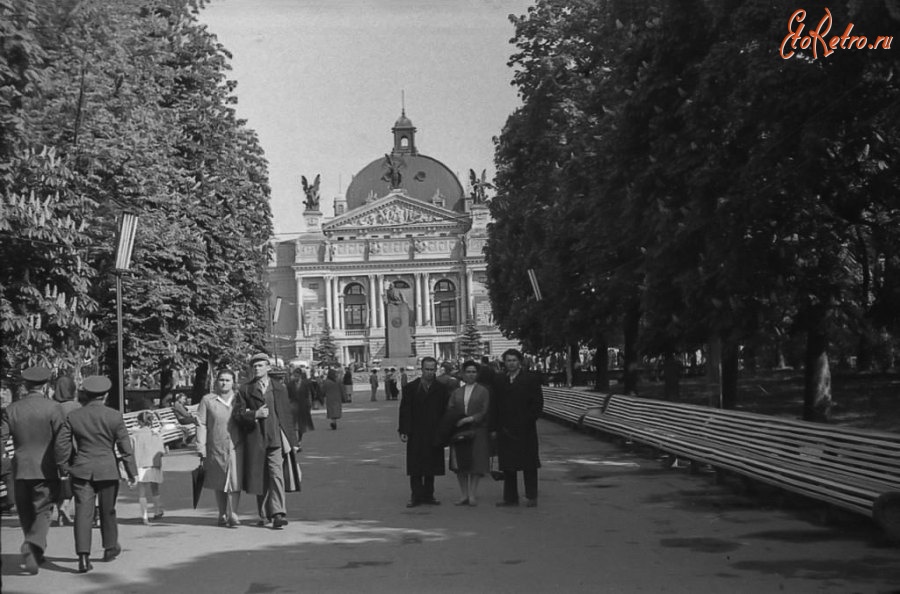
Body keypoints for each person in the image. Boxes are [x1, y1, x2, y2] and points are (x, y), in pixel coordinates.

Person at [56, 375, 137, 573]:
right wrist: (131, 471)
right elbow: (125, 447)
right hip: (107, 470)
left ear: (86, 394)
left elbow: (61, 445)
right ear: (106, 395)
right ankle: (110, 548)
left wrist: (64, 467)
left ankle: (83, 557)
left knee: (83, 513)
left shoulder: (74, 416)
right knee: (108, 510)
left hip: (81, 470)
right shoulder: (114, 416)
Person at [0, 366, 64, 575]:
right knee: (43, 510)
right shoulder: (54, 408)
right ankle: (32, 545)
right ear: (45, 385)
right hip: (46, 469)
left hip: (20, 468)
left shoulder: (12, 410)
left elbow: (2, 438)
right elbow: (61, 441)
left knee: (26, 511)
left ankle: (36, 552)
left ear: (25, 385)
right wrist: (64, 465)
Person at [232, 353, 299, 529]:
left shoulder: (279, 388)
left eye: (261, 365)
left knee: (276, 475)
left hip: (275, 439)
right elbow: (237, 414)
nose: (257, 368)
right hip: (255, 439)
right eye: (254, 366)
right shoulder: (245, 389)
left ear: (268, 367)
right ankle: (264, 514)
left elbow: (286, 415)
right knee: (259, 477)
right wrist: (255, 414)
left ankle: (278, 513)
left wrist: (293, 440)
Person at [491, 349, 544, 508]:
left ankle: (531, 496)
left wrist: (527, 420)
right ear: (504, 363)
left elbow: (537, 404)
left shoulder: (530, 379)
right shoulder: (499, 380)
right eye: (508, 361)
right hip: (505, 428)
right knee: (508, 465)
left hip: (525, 428)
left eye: (514, 360)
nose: (511, 363)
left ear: (519, 361)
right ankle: (510, 498)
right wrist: (494, 427)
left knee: (529, 463)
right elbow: (494, 405)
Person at [398, 357, 451, 507]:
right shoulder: (411, 388)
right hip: (416, 432)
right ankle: (416, 496)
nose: (429, 372)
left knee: (431, 465)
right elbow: (405, 410)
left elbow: (445, 411)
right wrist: (403, 430)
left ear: (436, 369)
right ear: (421, 369)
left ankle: (429, 495)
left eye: (432, 369)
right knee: (415, 466)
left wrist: (444, 432)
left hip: (434, 432)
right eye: (426, 369)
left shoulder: (441, 389)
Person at [197, 368, 244, 528]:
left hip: (236, 444)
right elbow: (202, 424)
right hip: (215, 444)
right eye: (221, 380)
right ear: (216, 381)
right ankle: (222, 513)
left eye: (227, 380)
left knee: (234, 478)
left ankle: (234, 513)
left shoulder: (239, 399)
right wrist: (200, 446)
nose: (224, 383)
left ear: (233, 383)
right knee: (219, 479)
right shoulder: (208, 400)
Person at [446, 361, 491, 506]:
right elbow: (450, 409)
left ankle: (472, 494)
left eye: (473, 372)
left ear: (477, 374)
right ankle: (463, 494)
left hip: (477, 429)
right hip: (459, 430)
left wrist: (470, 419)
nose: (471, 374)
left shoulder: (483, 391)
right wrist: (456, 420)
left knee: (476, 462)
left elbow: (485, 410)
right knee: (460, 463)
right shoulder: (457, 392)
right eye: (468, 372)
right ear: (463, 374)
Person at [52, 374, 82, 526]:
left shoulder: (52, 407)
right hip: (75, 447)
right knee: (74, 479)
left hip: (55, 448)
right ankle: (65, 505)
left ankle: (60, 514)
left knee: (59, 480)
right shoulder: (77, 407)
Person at [131, 411, 166, 524]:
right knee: (155, 489)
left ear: (139, 422)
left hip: (140, 464)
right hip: (154, 464)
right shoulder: (155, 434)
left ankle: (144, 516)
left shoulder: (134, 435)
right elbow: (162, 451)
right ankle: (157, 511)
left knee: (142, 492)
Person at [287, 368, 315, 448]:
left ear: (300, 375)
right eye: (294, 375)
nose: (295, 377)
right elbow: (287, 396)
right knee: (293, 425)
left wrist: (309, 404)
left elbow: (309, 394)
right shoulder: (290, 384)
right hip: (293, 406)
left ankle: (299, 440)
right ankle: (294, 441)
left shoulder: (305, 384)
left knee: (301, 425)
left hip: (303, 406)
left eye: (297, 376)